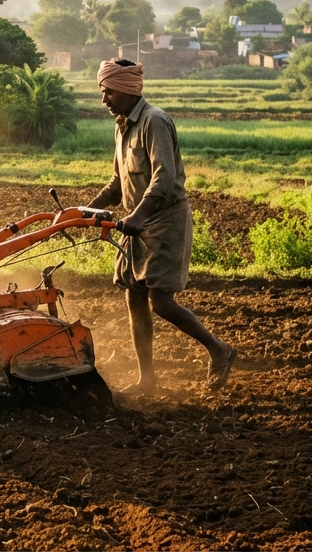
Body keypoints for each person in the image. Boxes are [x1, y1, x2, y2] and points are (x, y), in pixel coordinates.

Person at [86, 58, 237, 391]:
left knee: (161, 301)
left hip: (163, 219)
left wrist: (139, 216)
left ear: (126, 90)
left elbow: (164, 178)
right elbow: (117, 181)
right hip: (135, 222)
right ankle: (147, 379)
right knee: (133, 297)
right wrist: (85, 209)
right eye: (102, 92)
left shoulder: (154, 122)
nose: (104, 100)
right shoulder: (122, 125)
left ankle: (220, 350)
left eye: (108, 92)